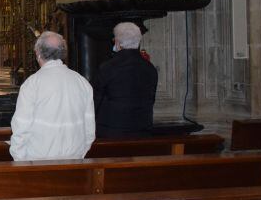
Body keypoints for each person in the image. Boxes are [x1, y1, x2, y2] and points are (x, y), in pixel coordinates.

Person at [9, 31, 95, 161]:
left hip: (38, 160)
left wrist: (19, 159)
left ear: (38, 53)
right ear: (63, 53)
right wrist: (80, 154)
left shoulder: (32, 84)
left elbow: (21, 127)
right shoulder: (82, 82)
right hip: (75, 160)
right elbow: (89, 129)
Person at [93, 22, 158, 138]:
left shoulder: (107, 67)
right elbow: (151, 99)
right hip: (143, 130)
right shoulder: (150, 68)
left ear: (118, 43)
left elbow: (96, 100)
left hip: (111, 132)